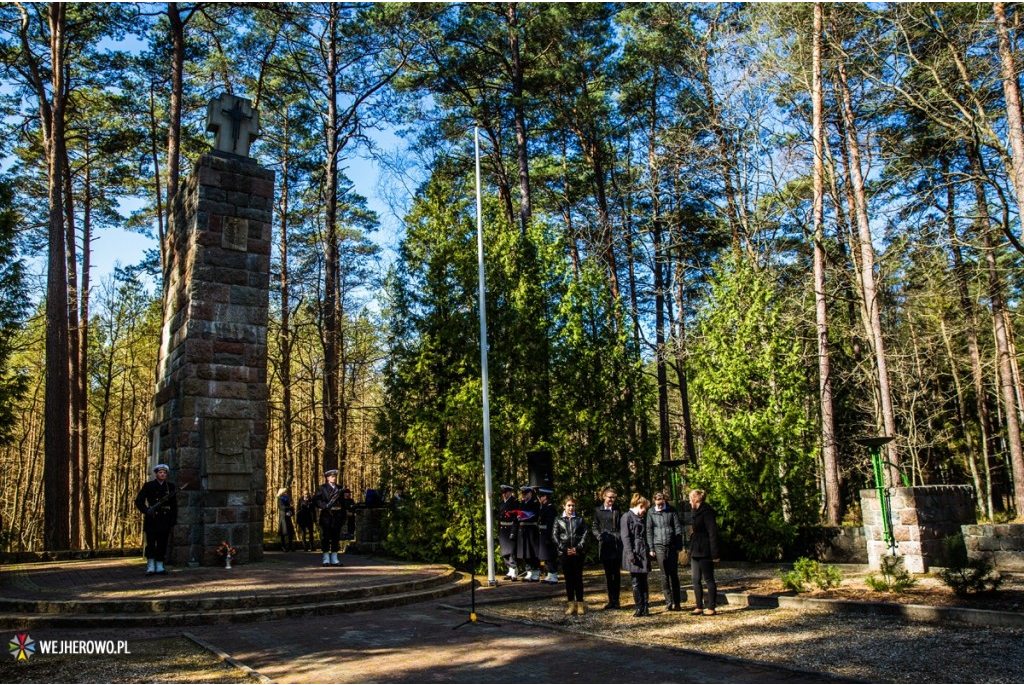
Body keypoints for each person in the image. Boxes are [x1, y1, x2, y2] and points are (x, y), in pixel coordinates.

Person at [134, 463, 178, 576]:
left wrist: (173, 519)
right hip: (152, 519)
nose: (162, 474)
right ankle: (150, 565)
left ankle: (159, 565)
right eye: (160, 472)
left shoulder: (170, 487)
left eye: (164, 473)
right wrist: (146, 510)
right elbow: (139, 500)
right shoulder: (148, 486)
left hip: (165, 519)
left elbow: (174, 505)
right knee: (151, 543)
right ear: (156, 474)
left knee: (163, 543)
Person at [646, 491, 684, 611]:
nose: (660, 505)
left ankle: (677, 602)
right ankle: (668, 602)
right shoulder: (651, 512)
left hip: (671, 545)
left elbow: (678, 528)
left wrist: (679, 546)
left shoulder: (671, 510)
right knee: (664, 575)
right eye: (658, 502)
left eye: (662, 502)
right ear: (654, 501)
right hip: (659, 545)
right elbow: (649, 530)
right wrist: (651, 548)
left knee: (673, 574)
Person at [552, 496, 588, 615]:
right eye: (569, 505)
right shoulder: (558, 519)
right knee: (569, 580)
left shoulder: (579, 519)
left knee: (578, 579)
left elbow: (585, 534)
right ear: (564, 506)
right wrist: (564, 549)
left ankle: (580, 603)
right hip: (565, 554)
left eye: (573, 505)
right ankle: (571, 604)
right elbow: (555, 536)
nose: (571, 508)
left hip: (577, 553)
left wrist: (577, 548)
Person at [689, 488, 720, 616]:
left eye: (691, 498)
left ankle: (711, 606)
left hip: (705, 549)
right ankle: (698, 605)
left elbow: (713, 533)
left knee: (708, 578)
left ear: (696, 498)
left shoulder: (707, 512)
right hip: (696, 549)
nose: (689, 501)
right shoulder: (695, 512)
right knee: (695, 578)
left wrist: (715, 553)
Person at [592, 487, 623, 609]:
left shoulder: (617, 510)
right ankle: (611, 600)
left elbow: (621, 525)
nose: (612, 500)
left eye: (614, 498)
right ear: (604, 496)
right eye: (610, 497)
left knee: (617, 574)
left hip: (616, 544)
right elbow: (594, 526)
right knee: (609, 575)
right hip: (605, 544)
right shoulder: (598, 511)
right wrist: (600, 536)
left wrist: (619, 536)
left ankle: (617, 600)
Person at [621, 493, 651, 617]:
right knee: (636, 582)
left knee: (644, 581)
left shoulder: (642, 518)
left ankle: (645, 607)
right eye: (644, 508)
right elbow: (625, 537)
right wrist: (630, 554)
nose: (645, 511)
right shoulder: (626, 517)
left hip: (642, 551)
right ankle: (639, 607)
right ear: (640, 505)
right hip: (633, 551)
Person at [313, 469, 347, 566]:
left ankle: (335, 558)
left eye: (335, 476)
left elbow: (343, 504)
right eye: (332, 476)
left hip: (337, 516)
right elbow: (316, 500)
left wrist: (343, 516)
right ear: (327, 478)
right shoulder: (322, 488)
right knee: (326, 537)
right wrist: (325, 506)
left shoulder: (339, 489)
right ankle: (326, 558)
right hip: (327, 517)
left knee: (336, 537)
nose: (334, 478)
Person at [515, 485, 541, 581]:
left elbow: (535, 516)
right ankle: (529, 571)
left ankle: (535, 572)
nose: (523, 495)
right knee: (524, 553)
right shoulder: (521, 503)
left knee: (532, 552)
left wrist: (525, 516)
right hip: (523, 530)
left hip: (531, 530)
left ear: (530, 493)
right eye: (522, 493)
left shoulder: (535, 503)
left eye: (525, 493)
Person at [536, 488, 559, 583]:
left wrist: (550, 537)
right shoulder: (544, 506)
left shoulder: (550, 507)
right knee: (544, 556)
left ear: (545, 497)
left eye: (541, 496)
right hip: (543, 533)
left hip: (548, 534)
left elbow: (551, 523)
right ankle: (549, 574)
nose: (540, 498)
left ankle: (554, 574)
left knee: (550, 556)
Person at [497, 484, 520, 581]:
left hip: (511, 528)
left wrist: (513, 532)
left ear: (510, 492)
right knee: (504, 552)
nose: (504, 495)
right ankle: (509, 569)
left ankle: (514, 570)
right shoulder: (501, 503)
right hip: (503, 529)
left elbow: (516, 519)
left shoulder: (515, 502)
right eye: (503, 493)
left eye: (506, 492)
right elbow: (499, 518)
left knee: (511, 551)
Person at [277, 487, 296, 552]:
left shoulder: (287, 499)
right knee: (284, 532)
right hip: (283, 517)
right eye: (285, 492)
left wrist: (291, 510)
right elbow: (281, 507)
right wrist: (289, 508)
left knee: (290, 532)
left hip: (288, 516)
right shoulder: (280, 499)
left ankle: (290, 546)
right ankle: (284, 546)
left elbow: (291, 507)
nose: (286, 493)